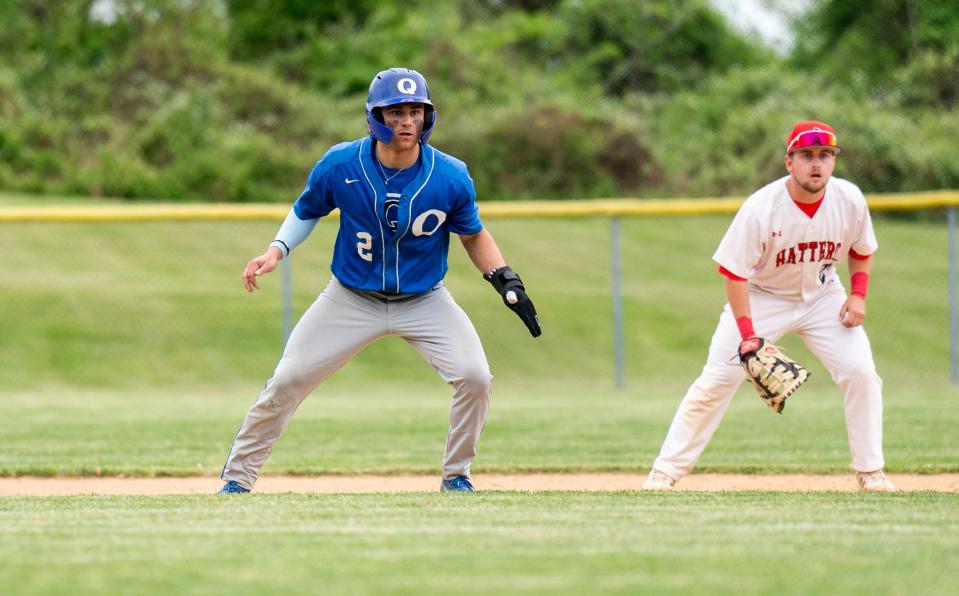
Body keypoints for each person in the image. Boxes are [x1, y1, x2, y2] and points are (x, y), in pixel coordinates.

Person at [218, 67, 541, 495]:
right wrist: (276, 249)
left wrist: (503, 278)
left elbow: (473, 233)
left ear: (428, 118)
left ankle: (457, 475)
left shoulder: (450, 175)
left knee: (475, 376)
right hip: (350, 298)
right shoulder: (340, 164)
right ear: (375, 118)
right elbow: (307, 209)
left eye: (415, 111)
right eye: (395, 112)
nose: (407, 121)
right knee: (286, 380)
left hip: (424, 299)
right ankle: (238, 480)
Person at [642, 121, 895, 492]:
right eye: (806, 155)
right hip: (762, 297)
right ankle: (664, 473)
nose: (816, 164)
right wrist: (747, 336)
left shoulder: (850, 199)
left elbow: (861, 249)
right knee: (717, 380)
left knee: (860, 372)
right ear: (788, 162)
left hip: (824, 297)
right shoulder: (761, 208)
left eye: (825, 156)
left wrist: (858, 295)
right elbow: (734, 273)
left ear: (833, 162)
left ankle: (871, 472)